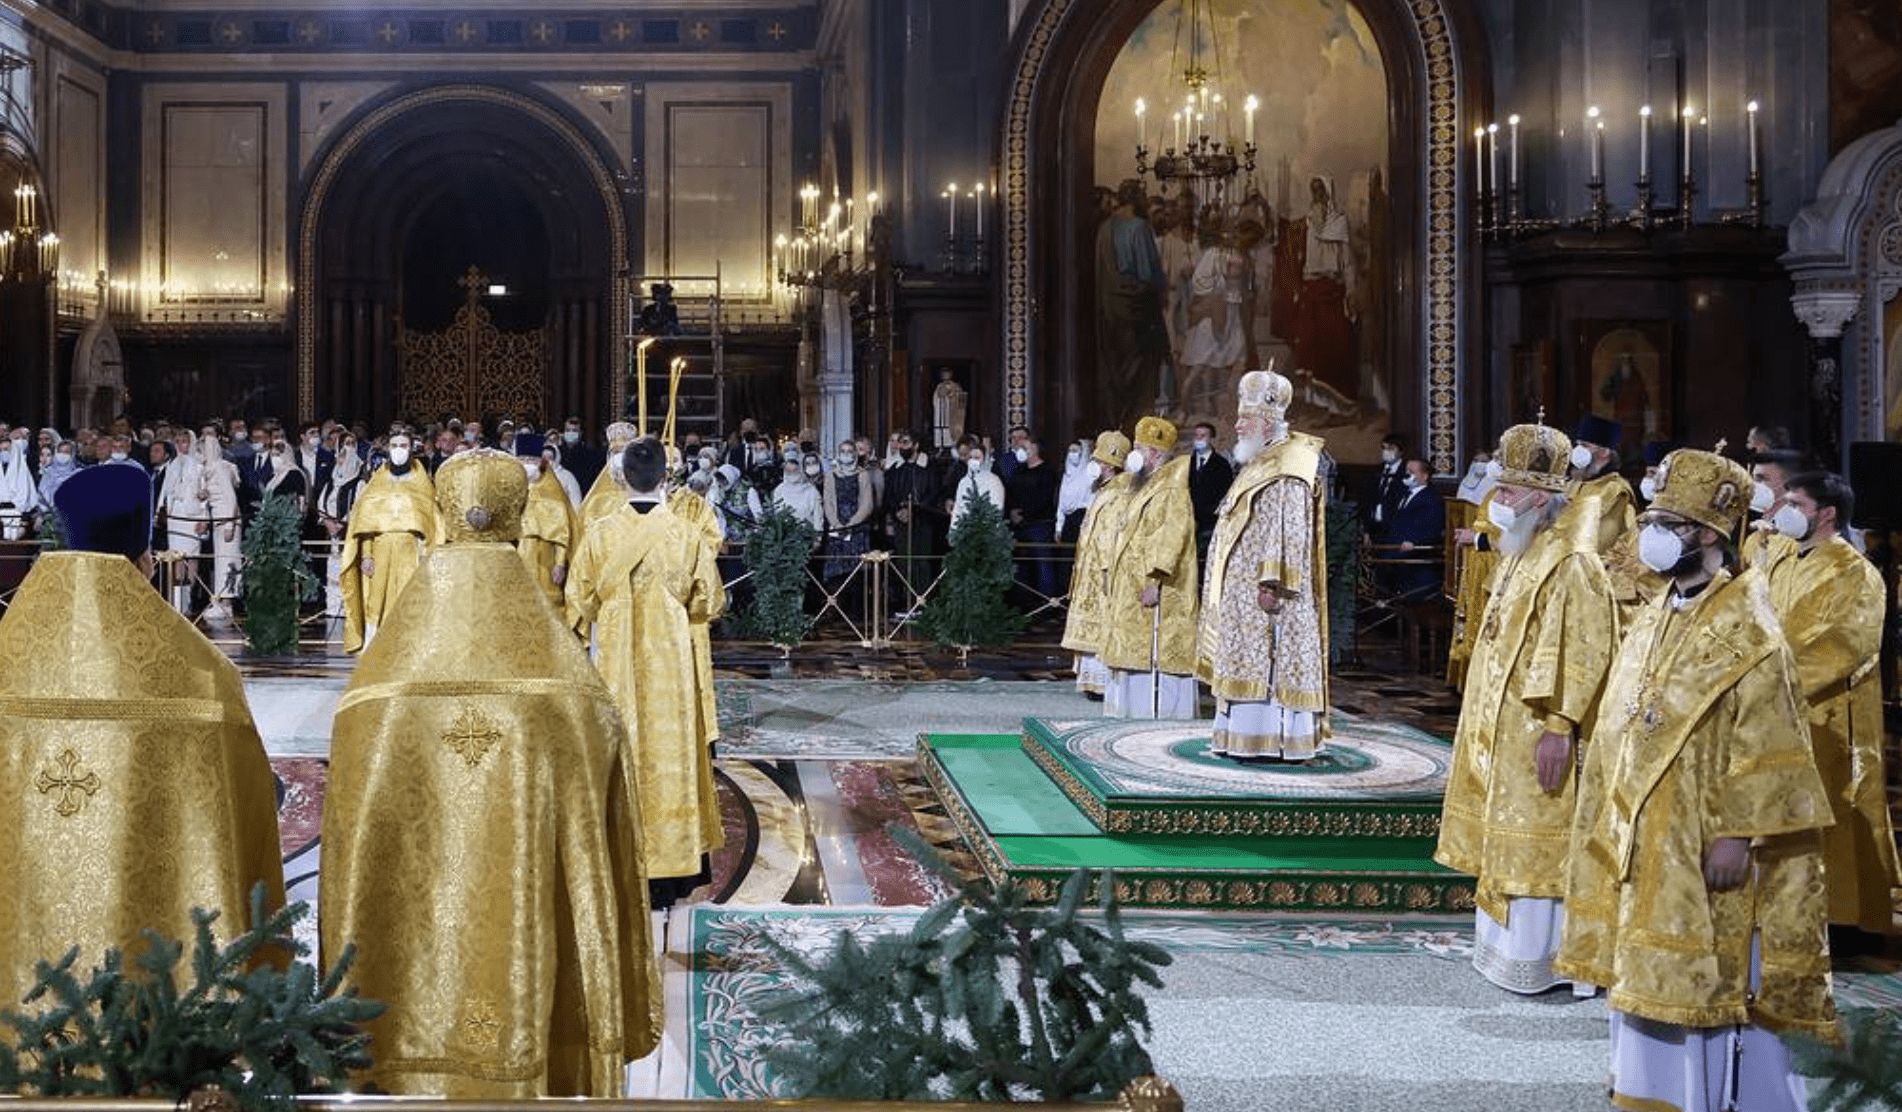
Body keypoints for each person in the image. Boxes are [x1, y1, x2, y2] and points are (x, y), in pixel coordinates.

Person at [321, 449, 659, 1096]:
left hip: (399, 1013)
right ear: (517, 512)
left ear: (443, 515)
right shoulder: (569, 684)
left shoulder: (378, 685)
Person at [1557, 447, 1837, 1111]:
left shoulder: (1753, 627)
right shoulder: (1661, 608)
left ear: (1710, 535)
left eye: (1667, 523)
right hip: (1647, 828)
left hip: (1706, 833)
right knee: (1646, 971)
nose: (1650, 534)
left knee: (1701, 976)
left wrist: (1739, 833)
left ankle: (1702, 1098)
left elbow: (1771, 744)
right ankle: (1642, 1092)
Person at [0, 464, 284, 1000]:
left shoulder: (9, 658)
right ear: (145, 562)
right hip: (156, 992)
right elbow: (241, 812)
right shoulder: (202, 676)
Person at [1434, 420, 1616, 995]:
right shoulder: (1521, 548)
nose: (1497, 501)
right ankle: (1500, 947)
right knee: (1503, 830)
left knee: (1539, 829)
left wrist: (1560, 725)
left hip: (1541, 726)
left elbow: (1584, 652)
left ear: (1540, 496)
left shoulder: (1572, 560)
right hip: (1501, 719)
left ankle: (1544, 957)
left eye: (1508, 491)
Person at [567, 439, 724, 908]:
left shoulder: (598, 533)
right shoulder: (684, 534)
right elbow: (709, 603)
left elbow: (578, 603)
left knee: (621, 751)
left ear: (622, 477)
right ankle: (670, 873)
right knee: (670, 754)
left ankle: (620, 859)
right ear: (662, 479)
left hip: (614, 664)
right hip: (670, 671)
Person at [1762, 470, 1899, 937]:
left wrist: (1773, 679)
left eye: (1795, 504)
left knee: (1836, 816)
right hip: (1774, 708)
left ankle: (1841, 920)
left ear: (1826, 513)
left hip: (1830, 715)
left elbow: (1845, 643)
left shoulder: (1854, 571)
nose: (1785, 513)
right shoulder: (1781, 558)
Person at [1197, 369, 1329, 761]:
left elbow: (1288, 529)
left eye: (1244, 419)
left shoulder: (1291, 462)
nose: (1236, 425)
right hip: (1242, 595)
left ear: (1268, 420)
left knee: (1268, 664)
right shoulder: (1258, 460)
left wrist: (1272, 584)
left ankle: (1271, 740)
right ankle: (1242, 738)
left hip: (1266, 595)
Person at [1099, 416, 1199, 718]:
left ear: (1155, 454)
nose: (1135, 453)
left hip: (1155, 588)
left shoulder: (1171, 488)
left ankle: (1156, 717)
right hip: (1131, 586)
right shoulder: (1145, 484)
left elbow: (1172, 534)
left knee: (1155, 660)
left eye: (1140, 447)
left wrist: (1155, 579)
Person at [340, 431, 440, 654]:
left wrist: (426, 551)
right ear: (387, 449)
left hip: (409, 547)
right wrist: (366, 554)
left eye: (403, 445)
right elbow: (365, 522)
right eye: (394, 445)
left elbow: (432, 521)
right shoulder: (378, 481)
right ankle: (372, 642)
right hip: (381, 546)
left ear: (411, 449)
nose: (398, 450)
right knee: (376, 596)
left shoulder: (422, 481)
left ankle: (412, 644)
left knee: (409, 595)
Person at [1060, 431, 1131, 697]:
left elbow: (1110, 535)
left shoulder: (1120, 493)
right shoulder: (1106, 490)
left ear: (1110, 465)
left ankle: (1101, 683)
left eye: (1100, 462)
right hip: (1089, 569)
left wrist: (1105, 569)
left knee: (1101, 625)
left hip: (1103, 573)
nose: (1096, 466)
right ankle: (1091, 681)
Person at [515, 433, 580, 615]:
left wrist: (560, 564)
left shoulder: (553, 491)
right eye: (523, 459)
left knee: (548, 609)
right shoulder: (510, 490)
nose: (527, 463)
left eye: (531, 460)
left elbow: (562, 532)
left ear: (540, 462)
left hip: (546, 558)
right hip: (517, 556)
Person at [882, 430, 939, 615]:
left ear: (915, 445)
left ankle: (923, 603)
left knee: (921, 562)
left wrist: (915, 510)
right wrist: (898, 511)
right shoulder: (894, 470)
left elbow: (934, 492)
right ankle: (907, 603)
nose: (901, 446)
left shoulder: (930, 467)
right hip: (901, 522)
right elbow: (888, 496)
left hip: (923, 521)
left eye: (905, 442)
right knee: (904, 563)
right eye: (899, 443)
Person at [1377, 458, 1445, 602]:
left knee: (1411, 600)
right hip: (1395, 552)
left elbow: (1432, 527)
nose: (1407, 475)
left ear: (1424, 476)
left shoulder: (1431, 498)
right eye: (1406, 471)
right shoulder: (1404, 494)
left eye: (1412, 472)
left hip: (1414, 557)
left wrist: (1414, 542)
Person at [314, 433, 365, 618]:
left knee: (350, 567)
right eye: (341, 453)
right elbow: (321, 505)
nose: (343, 457)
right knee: (333, 568)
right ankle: (334, 606)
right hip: (332, 533)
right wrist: (328, 521)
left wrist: (343, 523)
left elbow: (360, 506)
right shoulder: (330, 483)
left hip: (348, 531)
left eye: (350, 448)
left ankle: (350, 607)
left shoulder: (359, 483)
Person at [1003, 434, 1059, 601]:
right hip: (1019, 526)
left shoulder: (1047, 470)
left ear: (1034, 448)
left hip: (1040, 524)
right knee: (1020, 567)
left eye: (1024, 447)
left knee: (1044, 566)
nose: (1021, 451)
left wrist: (1024, 514)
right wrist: (1012, 512)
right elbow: (1011, 494)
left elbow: (1044, 498)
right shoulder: (1018, 470)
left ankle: (1048, 605)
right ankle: (1022, 605)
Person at [1185, 421, 1234, 574]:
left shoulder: (1222, 465)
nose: (1199, 439)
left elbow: (1226, 494)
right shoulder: (1187, 464)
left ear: (1211, 439)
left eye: (1203, 436)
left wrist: (1211, 512)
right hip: (1188, 522)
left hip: (1210, 524)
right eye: (1197, 435)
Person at [822, 439, 874, 582]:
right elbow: (828, 502)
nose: (846, 454)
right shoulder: (830, 476)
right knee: (836, 578)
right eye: (843, 451)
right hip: (836, 529)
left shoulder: (863, 475)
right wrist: (837, 525)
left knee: (857, 577)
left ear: (855, 454)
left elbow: (867, 504)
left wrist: (852, 524)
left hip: (857, 528)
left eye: (850, 451)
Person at [580, 422, 639, 528]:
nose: (620, 459)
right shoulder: (595, 500)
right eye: (616, 452)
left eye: (625, 452)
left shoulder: (644, 492)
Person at [946, 440, 1005, 538]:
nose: (974, 461)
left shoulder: (994, 480)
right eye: (971, 458)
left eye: (977, 458)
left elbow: (996, 509)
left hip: (987, 535)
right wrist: (953, 532)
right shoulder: (963, 482)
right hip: (965, 534)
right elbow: (958, 508)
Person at [0, 431, 39, 541]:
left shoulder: (23, 471)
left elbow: (27, 500)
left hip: (20, 515)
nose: (4, 453)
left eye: (7, 450)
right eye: (1, 450)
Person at [930, 368, 967, 453]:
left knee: (952, 431)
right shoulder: (939, 386)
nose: (945, 375)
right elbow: (935, 399)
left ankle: (953, 447)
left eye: (947, 373)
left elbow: (960, 399)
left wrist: (952, 397)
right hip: (942, 413)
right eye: (943, 374)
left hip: (952, 413)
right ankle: (940, 447)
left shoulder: (956, 386)